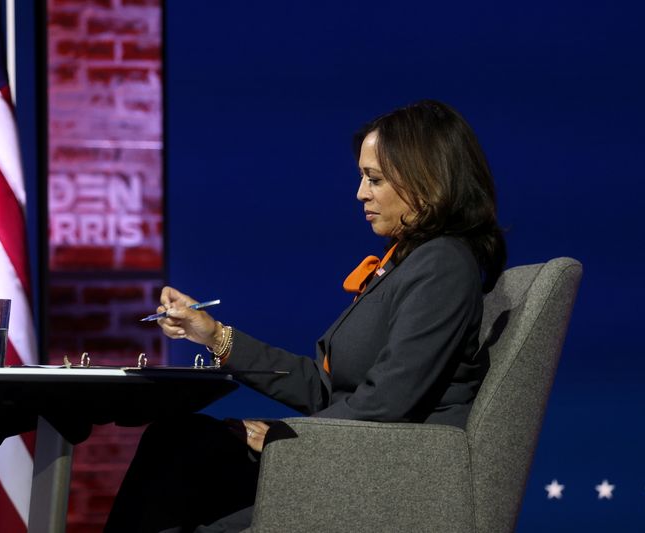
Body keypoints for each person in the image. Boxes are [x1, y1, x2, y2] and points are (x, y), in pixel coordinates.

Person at [105, 99, 507, 532]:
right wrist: (215, 336)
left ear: (426, 181)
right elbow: (324, 387)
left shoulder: (443, 265)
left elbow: (387, 403)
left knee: (183, 457)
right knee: (177, 440)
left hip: (381, 479)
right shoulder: (408, 264)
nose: (361, 194)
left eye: (374, 179)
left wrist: (282, 439)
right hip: (342, 456)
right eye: (361, 178)